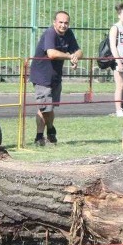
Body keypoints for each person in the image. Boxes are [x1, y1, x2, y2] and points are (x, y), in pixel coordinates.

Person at [30, 11, 82, 146]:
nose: (63, 25)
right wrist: (70, 56)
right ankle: (44, 134)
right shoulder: (50, 33)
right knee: (45, 107)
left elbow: (79, 50)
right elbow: (51, 53)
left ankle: (45, 134)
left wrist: (75, 56)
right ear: (54, 22)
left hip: (55, 76)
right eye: (61, 22)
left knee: (49, 107)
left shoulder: (69, 34)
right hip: (42, 75)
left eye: (66, 23)